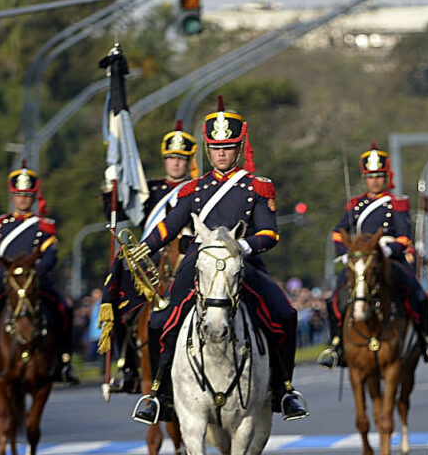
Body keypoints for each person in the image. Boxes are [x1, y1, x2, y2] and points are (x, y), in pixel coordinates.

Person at [131, 97, 308, 424]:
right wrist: (145, 245)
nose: (221, 153)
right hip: (199, 262)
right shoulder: (195, 190)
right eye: (215, 147)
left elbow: (270, 235)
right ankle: (158, 393)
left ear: (239, 147)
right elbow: (170, 225)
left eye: (227, 147)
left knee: (284, 314)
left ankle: (284, 388)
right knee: (159, 321)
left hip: (242, 262)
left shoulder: (257, 187)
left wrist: (241, 246)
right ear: (208, 150)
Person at [318, 147, 428, 369]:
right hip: (361, 259)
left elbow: (405, 238)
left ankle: (427, 342)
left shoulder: (396, 203)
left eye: (379, 176)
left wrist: (388, 250)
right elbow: (338, 232)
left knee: (419, 295)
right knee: (334, 298)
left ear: (387, 177)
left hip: (389, 258)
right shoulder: (355, 205)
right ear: (365, 179)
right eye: (370, 177)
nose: (375, 181)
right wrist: (344, 253)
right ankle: (336, 345)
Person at [99, 120, 198, 393]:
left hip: (190, 255)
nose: (175, 164)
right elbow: (117, 211)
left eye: (180, 158)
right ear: (164, 160)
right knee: (122, 304)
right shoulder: (149, 191)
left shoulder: (200, 189)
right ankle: (128, 365)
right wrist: (110, 190)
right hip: (152, 260)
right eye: (171, 158)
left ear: (189, 160)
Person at [0, 163, 78, 385]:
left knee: (64, 308)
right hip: (6, 279)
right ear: (12, 196)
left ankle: (64, 361)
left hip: (35, 279)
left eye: (27, 195)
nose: (23, 199)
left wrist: (38, 272)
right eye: (19, 195)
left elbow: (51, 255)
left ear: (33, 197)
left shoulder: (45, 226)